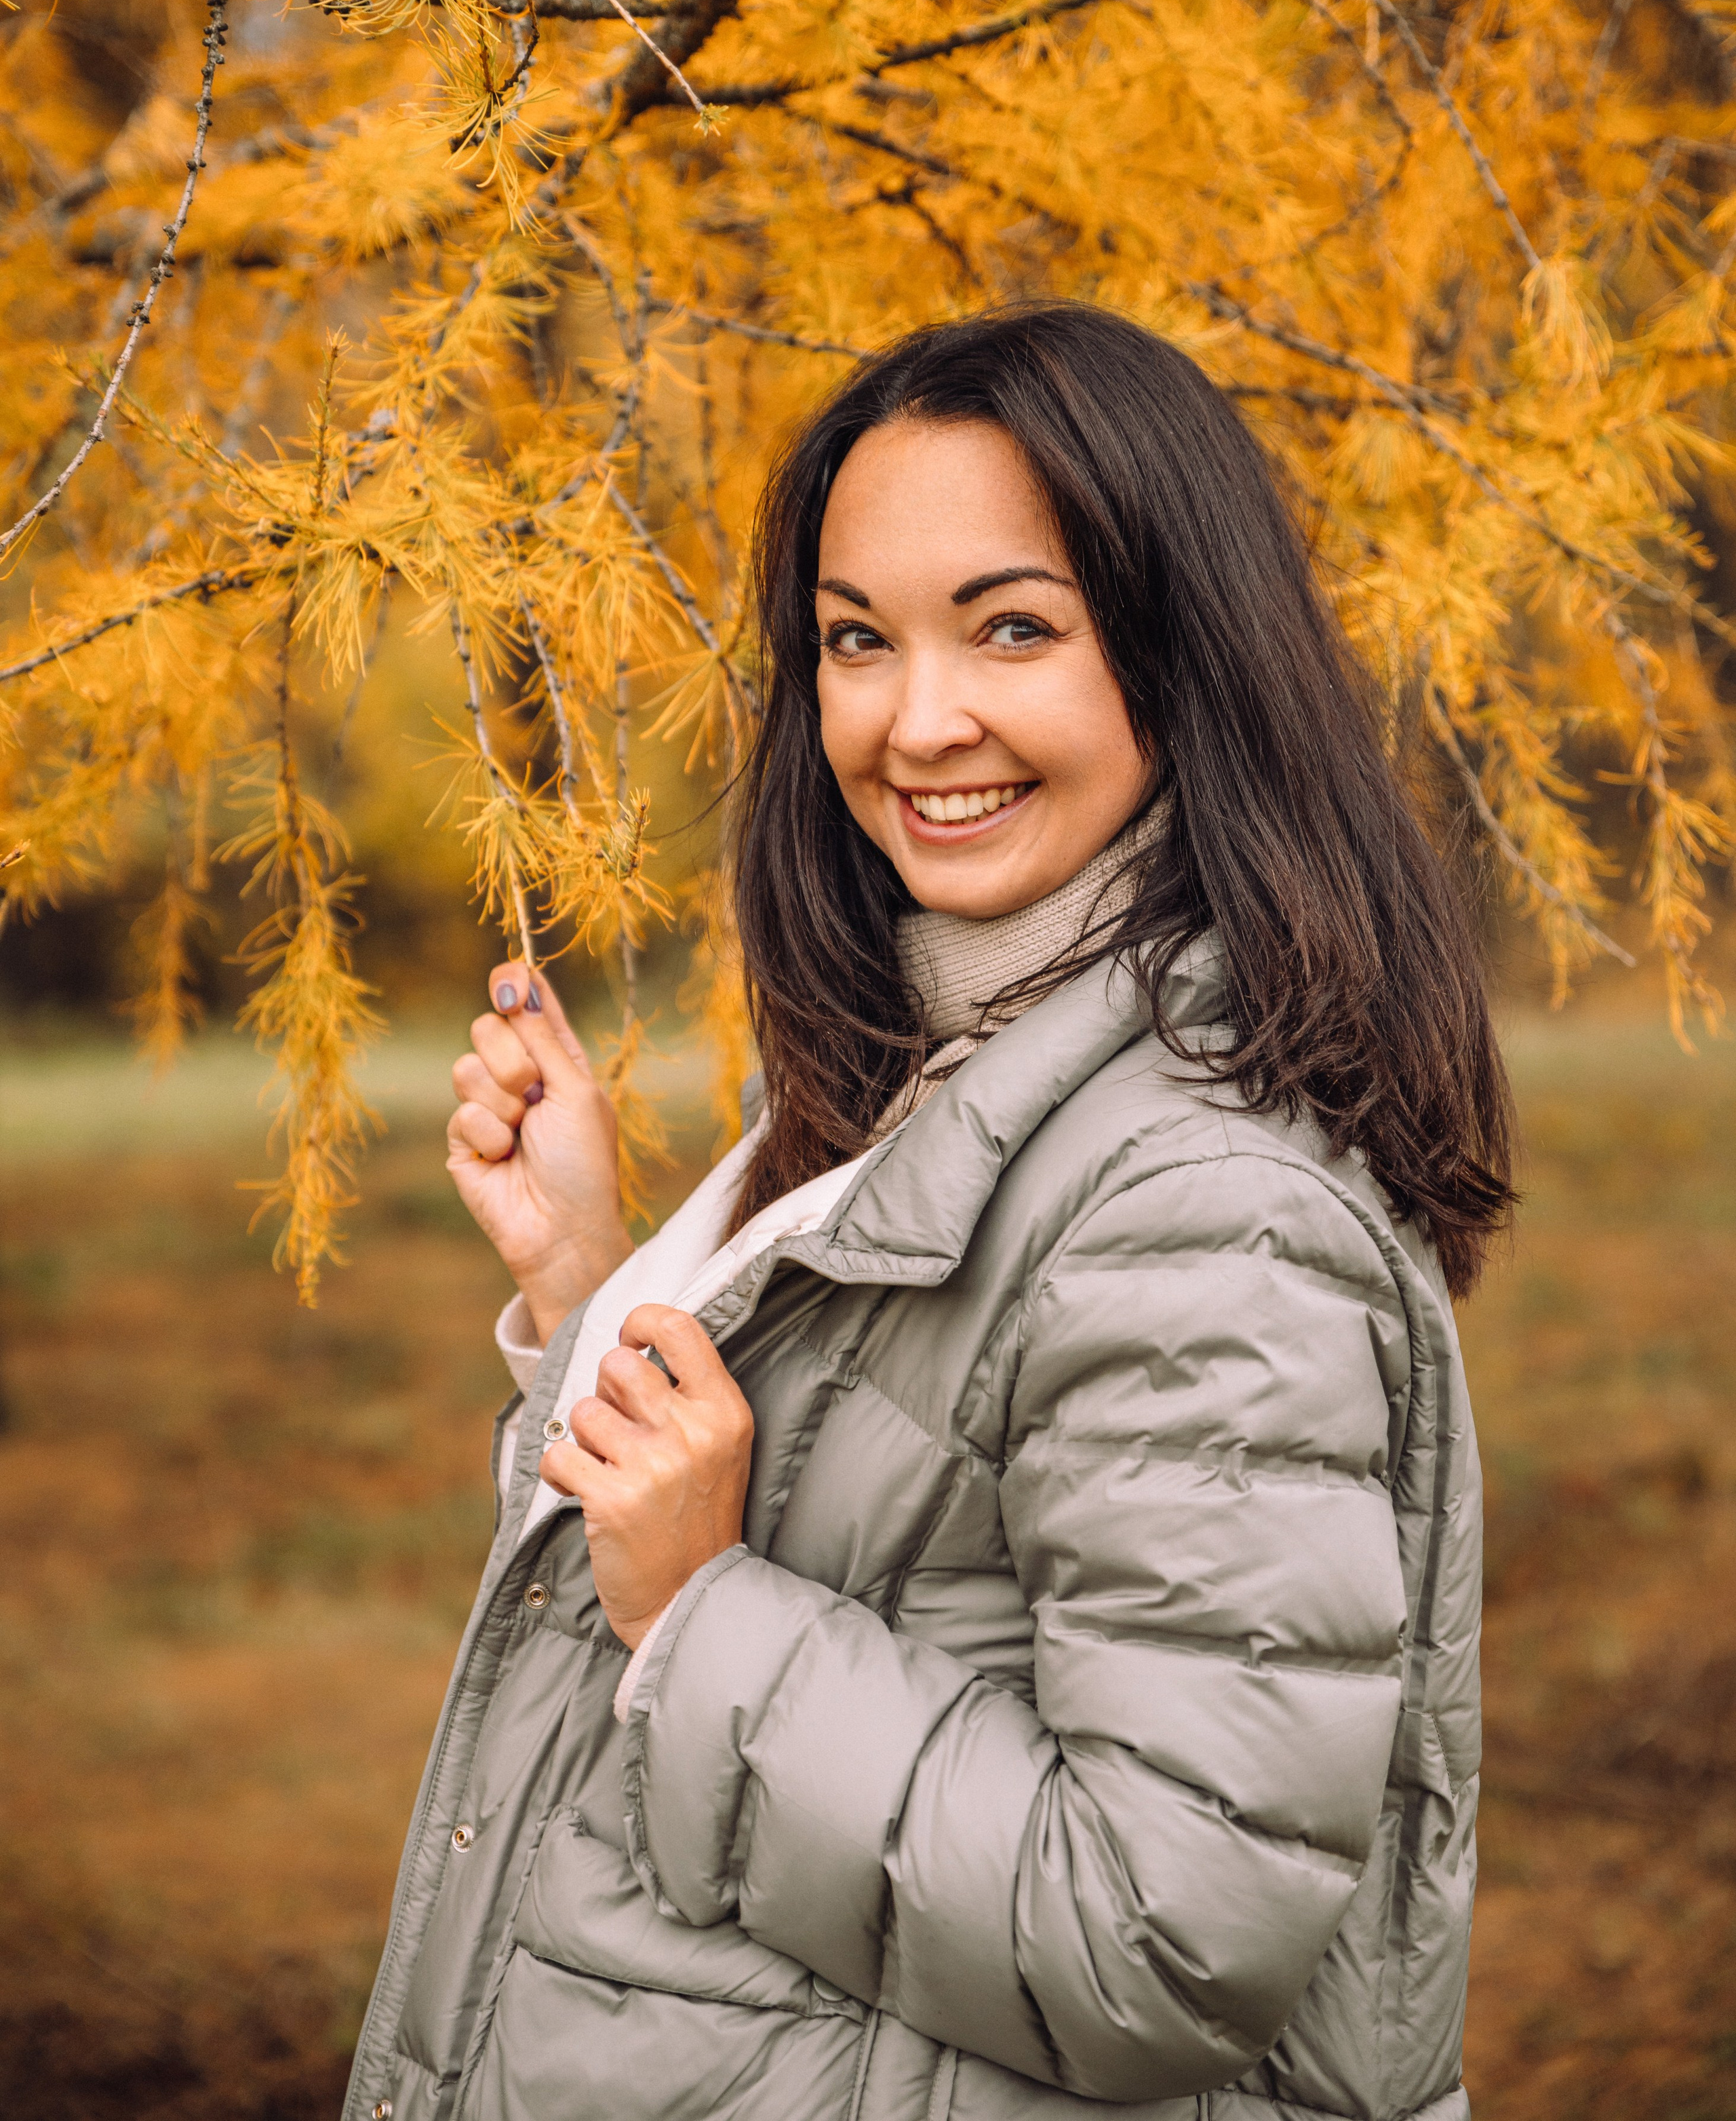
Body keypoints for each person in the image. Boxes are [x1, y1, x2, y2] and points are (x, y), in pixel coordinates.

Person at [344, 304, 1505, 2121]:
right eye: (856, 642)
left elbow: (1164, 1936)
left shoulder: (1200, 1210)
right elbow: (848, 1547)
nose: (916, 719)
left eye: (1012, 628)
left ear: (1181, 653)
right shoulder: (942, 1085)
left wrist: (708, 1611)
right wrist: (601, 1283)